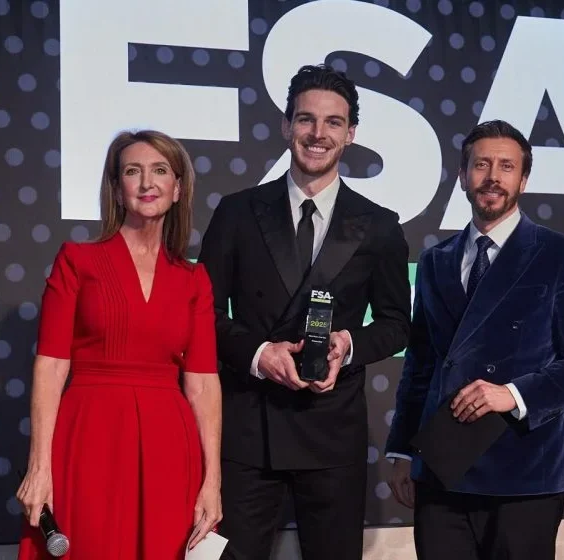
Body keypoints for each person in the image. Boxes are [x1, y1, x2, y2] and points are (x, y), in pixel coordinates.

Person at [198, 64, 411, 560]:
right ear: (285, 126)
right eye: (306, 120)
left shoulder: (379, 225)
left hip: (331, 432)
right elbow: (201, 313)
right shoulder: (236, 212)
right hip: (249, 427)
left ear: (351, 134)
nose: (318, 134)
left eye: (333, 122)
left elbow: (396, 325)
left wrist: (347, 345)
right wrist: (257, 354)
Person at [385, 120, 564, 560]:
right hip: (441, 465)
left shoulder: (561, 255)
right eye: (481, 165)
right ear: (463, 176)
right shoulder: (435, 261)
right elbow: (420, 364)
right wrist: (401, 450)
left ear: (523, 179)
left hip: (525, 470)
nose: (493, 176)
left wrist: (511, 394)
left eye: (506, 166)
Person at [15, 130, 222, 559]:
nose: (147, 183)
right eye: (133, 171)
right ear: (117, 188)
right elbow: (51, 367)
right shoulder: (77, 261)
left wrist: (212, 480)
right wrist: (39, 466)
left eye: (160, 170)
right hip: (90, 438)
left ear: (178, 187)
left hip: (170, 446)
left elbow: (202, 384)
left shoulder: (193, 279)